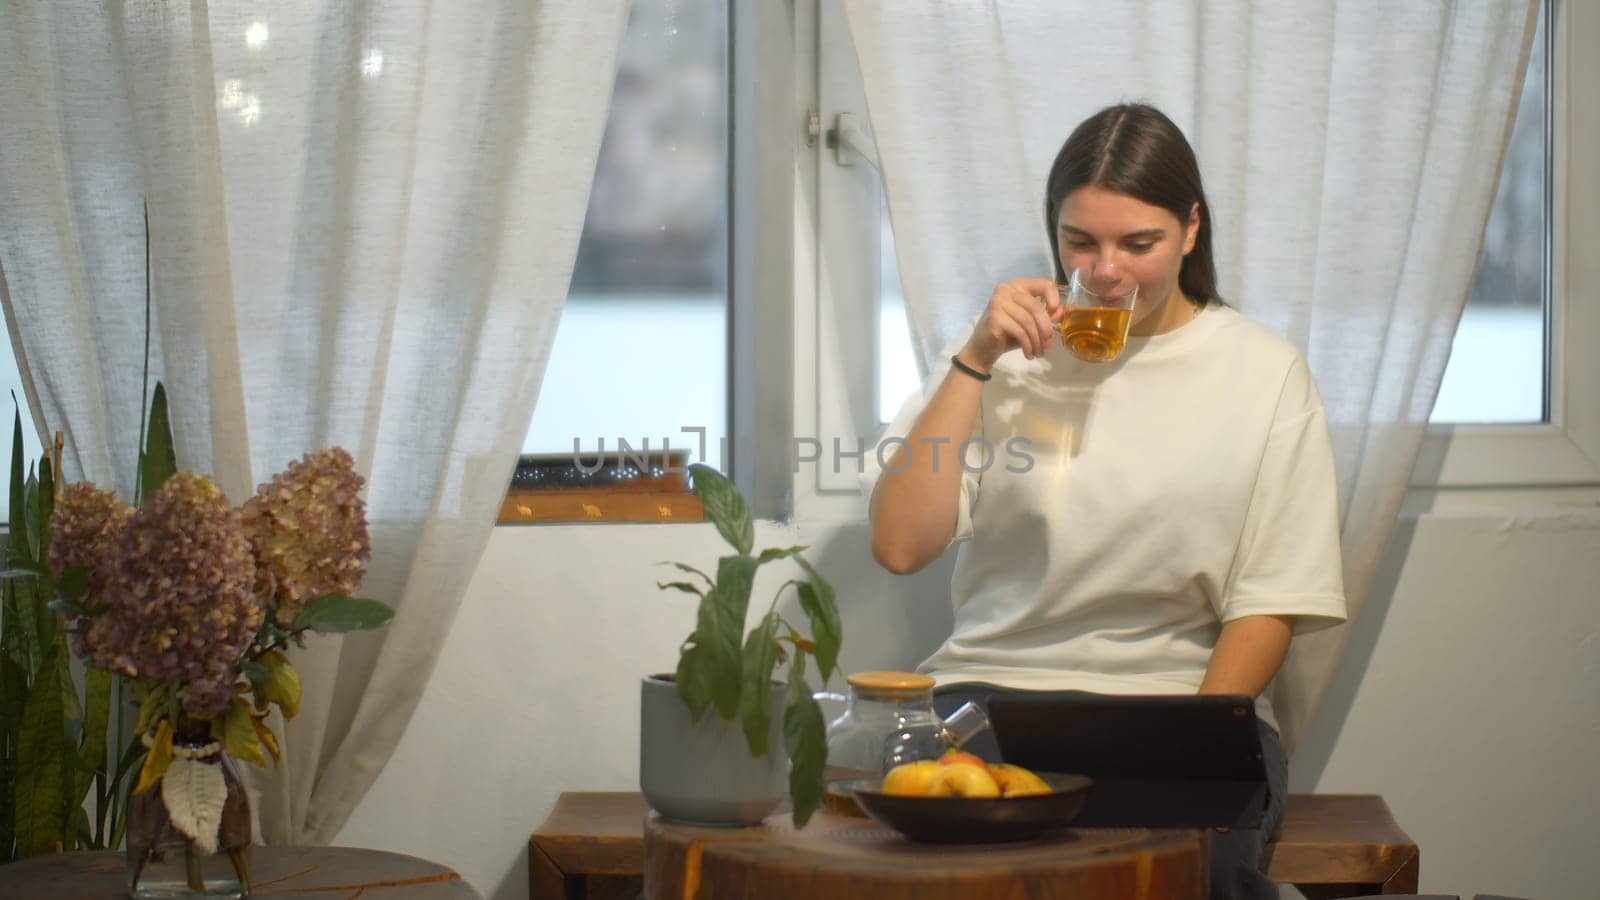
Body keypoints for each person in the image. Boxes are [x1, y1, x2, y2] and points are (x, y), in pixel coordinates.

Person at [865, 103, 1348, 900]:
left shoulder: (1264, 372)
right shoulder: (1005, 354)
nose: (1107, 270)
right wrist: (975, 358)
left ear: (1191, 229)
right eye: (1080, 242)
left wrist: (1188, 743)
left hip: (1177, 706)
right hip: (989, 697)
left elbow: (1271, 601)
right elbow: (900, 544)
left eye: (1139, 244)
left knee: (1178, 878)